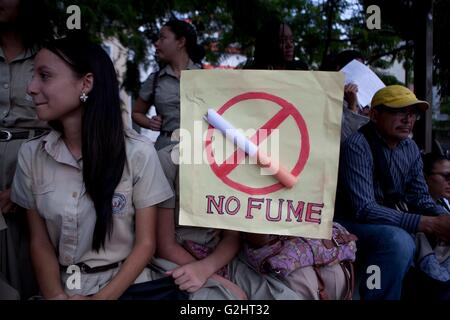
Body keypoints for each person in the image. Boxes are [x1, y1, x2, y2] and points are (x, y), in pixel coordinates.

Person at [10, 32, 174, 299]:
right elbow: (39, 242)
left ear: (85, 83)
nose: (31, 87)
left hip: (128, 289)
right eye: (33, 76)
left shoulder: (138, 154)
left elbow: (146, 244)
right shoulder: (32, 154)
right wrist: (56, 296)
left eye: (45, 76)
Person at [336, 85, 450, 300]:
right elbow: (364, 209)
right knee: (397, 240)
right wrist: (429, 223)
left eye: (412, 113)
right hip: (349, 223)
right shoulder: (357, 146)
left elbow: (420, 197)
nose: (408, 119)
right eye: (399, 111)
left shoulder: (411, 148)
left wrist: (442, 217)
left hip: (388, 220)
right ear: (375, 114)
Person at [0, 0, 53, 299]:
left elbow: (62, 120)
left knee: (28, 254)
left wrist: (23, 184)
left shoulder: (48, 54)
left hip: (35, 158)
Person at [132, 19, 204, 151]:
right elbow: (136, 113)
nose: (156, 43)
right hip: (165, 149)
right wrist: (150, 123)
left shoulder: (205, 78)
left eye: (162, 38)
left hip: (198, 151)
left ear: (181, 42)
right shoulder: (155, 80)